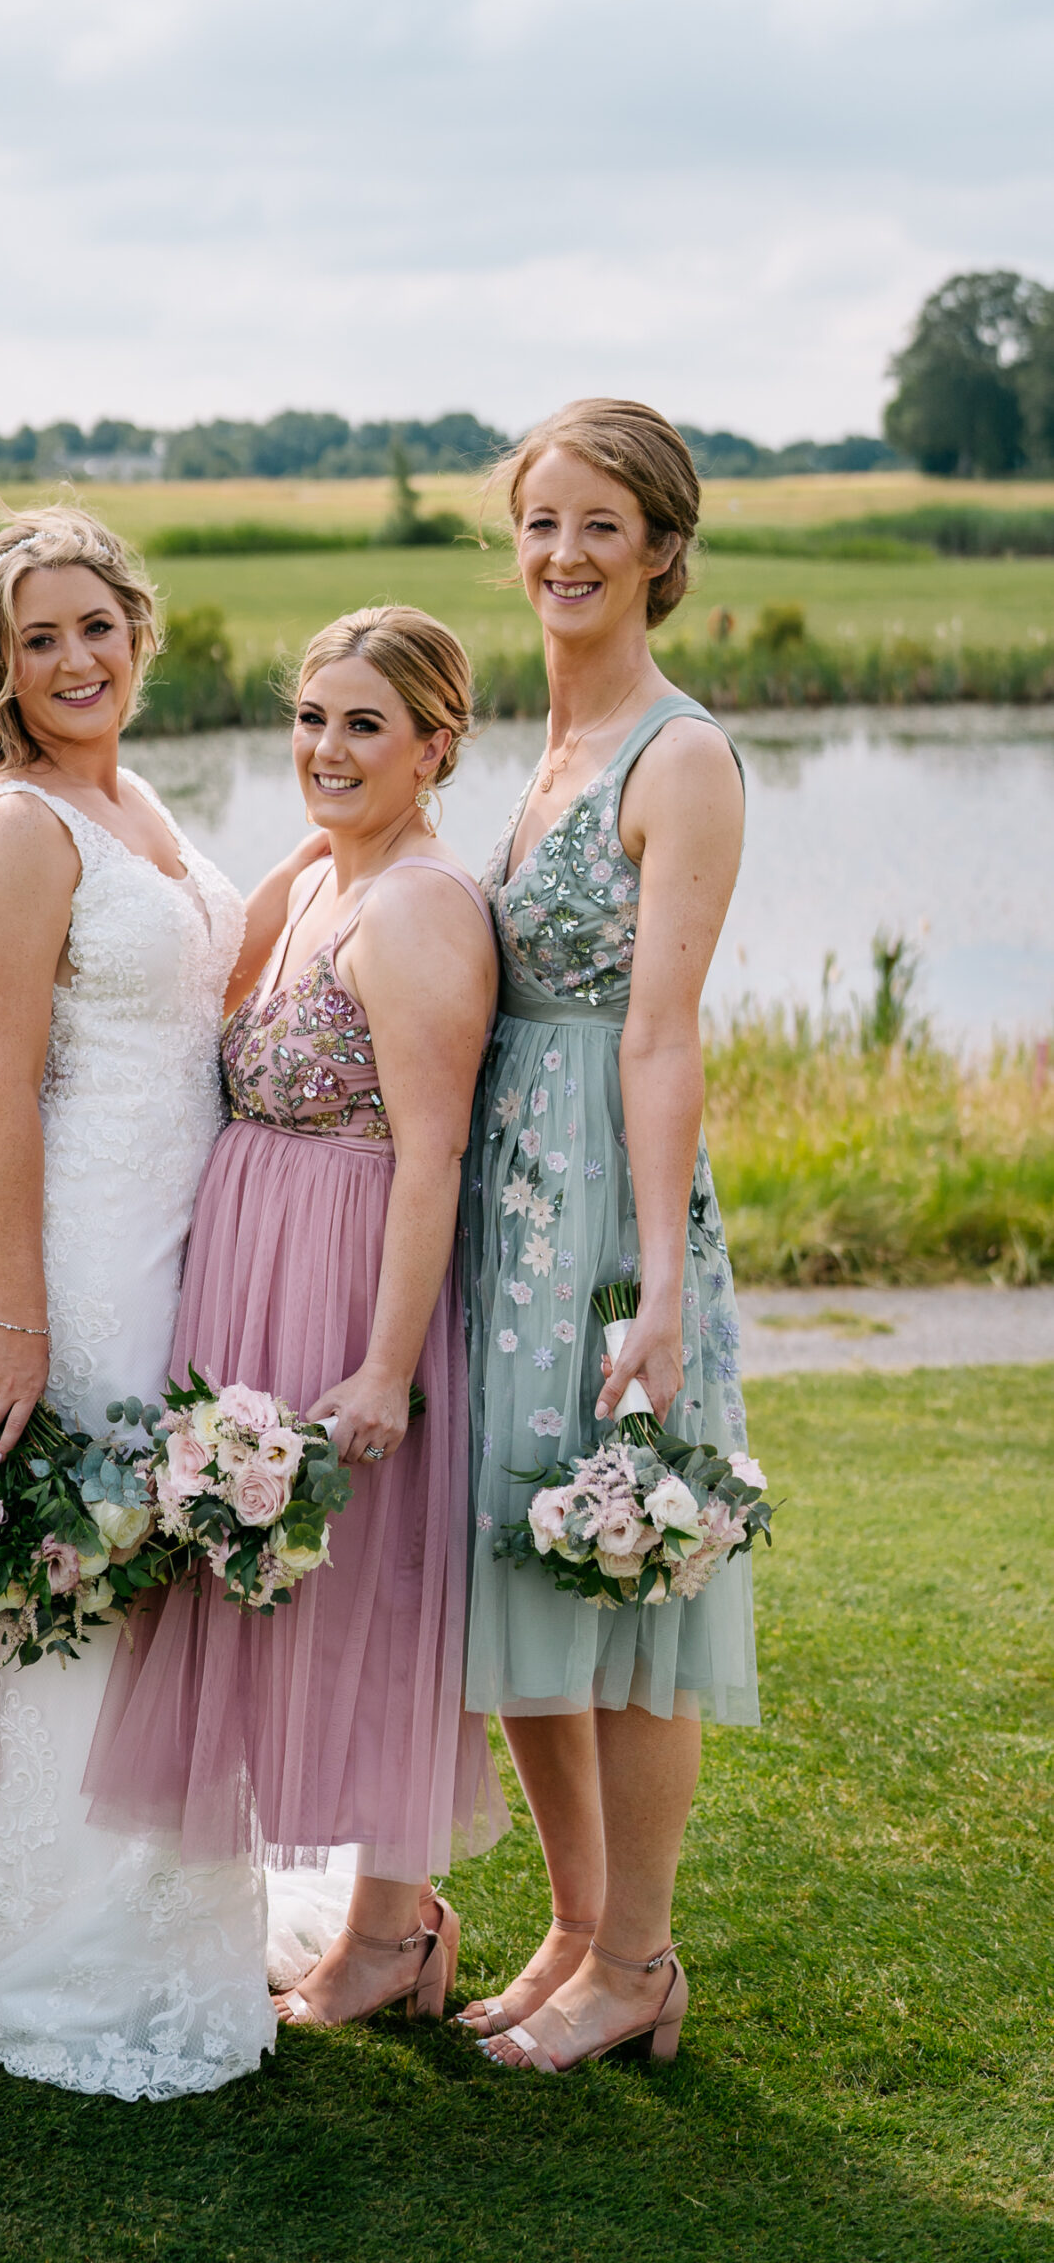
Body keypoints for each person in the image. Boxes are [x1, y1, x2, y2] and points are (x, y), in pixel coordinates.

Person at [0, 503, 322, 2097]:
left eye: (97, 626)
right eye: (39, 637)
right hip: (84, 1246)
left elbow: (210, 974)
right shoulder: (17, 828)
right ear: (1, 661)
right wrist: (23, 1314)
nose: (75, 659)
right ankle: (29, 1925)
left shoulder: (140, 803)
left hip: (191, 1237)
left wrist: (350, 857)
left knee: (164, 1563)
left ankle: (168, 1902)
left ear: (140, 631)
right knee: (84, 1566)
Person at [85, 607, 507, 2027]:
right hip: (255, 1258)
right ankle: (346, 1917)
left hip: (348, 1272)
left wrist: (386, 1367)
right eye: (313, 717)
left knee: (372, 1586)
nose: (328, 749)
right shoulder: (314, 876)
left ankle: (394, 1931)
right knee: (273, 1578)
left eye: (365, 725)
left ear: (435, 746)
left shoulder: (423, 908)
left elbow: (433, 1152)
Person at [455, 400, 757, 2075]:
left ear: (660, 550)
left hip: (608, 1217)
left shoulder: (681, 755)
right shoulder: (544, 756)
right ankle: (573, 1926)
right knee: (526, 1559)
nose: (564, 555)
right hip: (506, 1208)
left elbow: (660, 1035)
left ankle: (639, 1956)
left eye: (599, 525)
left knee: (629, 1576)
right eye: (542, 523)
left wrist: (651, 1286)